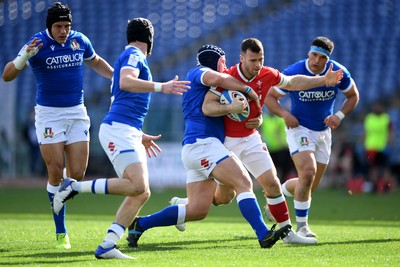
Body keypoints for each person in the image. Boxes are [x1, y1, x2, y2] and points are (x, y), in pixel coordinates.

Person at [172, 38, 343, 244]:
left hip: (251, 139)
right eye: (253, 60)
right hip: (225, 142)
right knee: (224, 198)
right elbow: (207, 107)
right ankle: (187, 205)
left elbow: (293, 82)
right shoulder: (226, 76)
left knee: (272, 183)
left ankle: (288, 233)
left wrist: (323, 80)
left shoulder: (267, 74)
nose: (257, 64)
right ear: (242, 58)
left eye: (260, 59)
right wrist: (231, 108)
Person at [124, 44, 292, 250]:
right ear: (217, 61)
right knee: (243, 182)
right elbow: (217, 80)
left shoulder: (213, 85)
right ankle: (263, 234)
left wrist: (253, 117)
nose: (226, 65)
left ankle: (140, 224)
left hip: (196, 147)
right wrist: (246, 89)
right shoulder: (200, 72)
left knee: (198, 209)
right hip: (204, 144)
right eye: (224, 61)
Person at [52, 17, 190, 259]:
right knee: (137, 185)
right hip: (119, 129)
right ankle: (72, 186)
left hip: (127, 129)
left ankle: (108, 244)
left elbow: (124, 96)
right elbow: (126, 81)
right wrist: (161, 87)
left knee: (142, 192)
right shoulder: (135, 54)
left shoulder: (131, 55)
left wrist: (139, 134)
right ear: (149, 39)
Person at [1, 2, 114, 249]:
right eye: (58, 26)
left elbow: (95, 61)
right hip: (49, 115)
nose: (63, 30)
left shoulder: (79, 40)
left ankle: (58, 196)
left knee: (76, 175)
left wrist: (116, 78)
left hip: (77, 112)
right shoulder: (37, 43)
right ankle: (61, 231)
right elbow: (7, 75)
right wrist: (24, 57)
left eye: (66, 26)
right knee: (55, 171)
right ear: (49, 27)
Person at [265, 36, 359, 238]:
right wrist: (285, 114)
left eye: (322, 57)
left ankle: (275, 197)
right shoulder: (294, 71)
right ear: (309, 53)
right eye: (314, 55)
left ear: (328, 59)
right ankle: (302, 227)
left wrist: (339, 115)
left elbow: (353, 96)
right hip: (299, 128)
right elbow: (270, 96)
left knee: (308, 185)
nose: (317, 60)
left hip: (324, 133)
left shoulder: (339, 73)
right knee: (308, 172)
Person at [363, 100, 395, 193]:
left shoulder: (386, 118)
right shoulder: (369, 118)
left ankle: (385, 187)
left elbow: (390, 132)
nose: (377, 108)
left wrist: (390, 143)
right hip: (371, 147)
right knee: (374, 168)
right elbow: (365, 132)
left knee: (384, 168)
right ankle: (376, 187)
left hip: (382, 147)